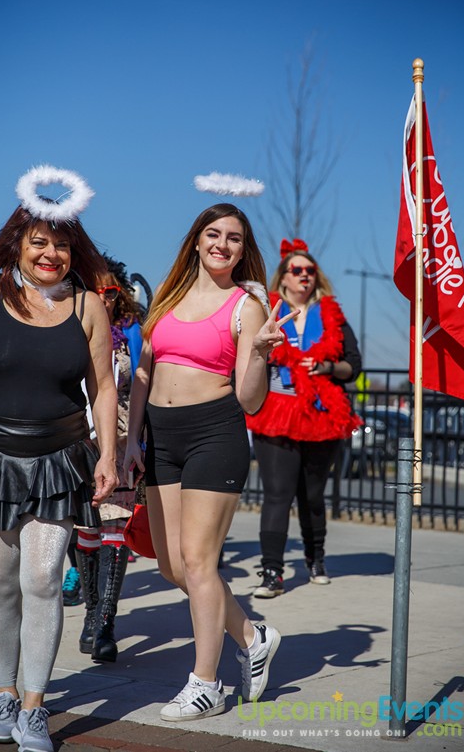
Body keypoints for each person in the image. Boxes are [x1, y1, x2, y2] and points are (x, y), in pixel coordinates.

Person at [0, 166, 119, 752]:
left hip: (59, 457)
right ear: (18, 244)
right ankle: (4, 693)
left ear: (74, 252)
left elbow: (104, 387)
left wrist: (109, 454)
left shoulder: (89, 306)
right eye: (39, 242)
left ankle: (34, 707)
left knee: (41, 578)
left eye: (62, 245)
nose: (50, 254)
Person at [124, 202, 296, 722]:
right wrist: (132, 440)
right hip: (162, 438)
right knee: (173, 566)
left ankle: (206, 685)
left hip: (214, 435)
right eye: (214, 234)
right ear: (197, 240)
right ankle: (252, 636)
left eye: (234, 238)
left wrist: (260, 351)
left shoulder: (247, 306)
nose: (223, 244)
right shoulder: (167, 295)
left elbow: (249, 400)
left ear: (243, 250)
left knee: (199, 561)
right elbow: (144, 374)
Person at [246, 237, 362, 597]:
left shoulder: (330, 313)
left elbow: (353, 365)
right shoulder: (266, 310)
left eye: (310, 270)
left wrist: (328, 367)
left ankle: (316, 560)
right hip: (276, 410)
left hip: (320, 412)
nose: (304, 275)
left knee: (312, 495)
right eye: (296, 269)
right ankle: (272, 572)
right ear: (283, 276)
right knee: (277, 495)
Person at [76, 255, 143, 663]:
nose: (104, 298)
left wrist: (136, 441)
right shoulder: (68, 327)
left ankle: (104, 623)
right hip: (76, 441)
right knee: (86, 528)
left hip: (119, 442)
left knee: (116, 528)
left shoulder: (132, 333)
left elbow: (145, 386)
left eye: (112, 291)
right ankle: (89, 614)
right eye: (95, 290)